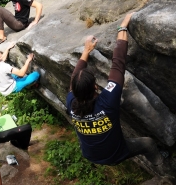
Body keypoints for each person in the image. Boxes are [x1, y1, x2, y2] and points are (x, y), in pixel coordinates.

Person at [66, 13, 171, 175]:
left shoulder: (71, 101)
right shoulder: (107, 101)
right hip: (116, 154)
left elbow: (75, 79)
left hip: (91, 155)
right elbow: (118, 64)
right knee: (148, 144)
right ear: (95, 87)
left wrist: (86, 51)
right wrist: (122, 27)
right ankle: (163, 169)